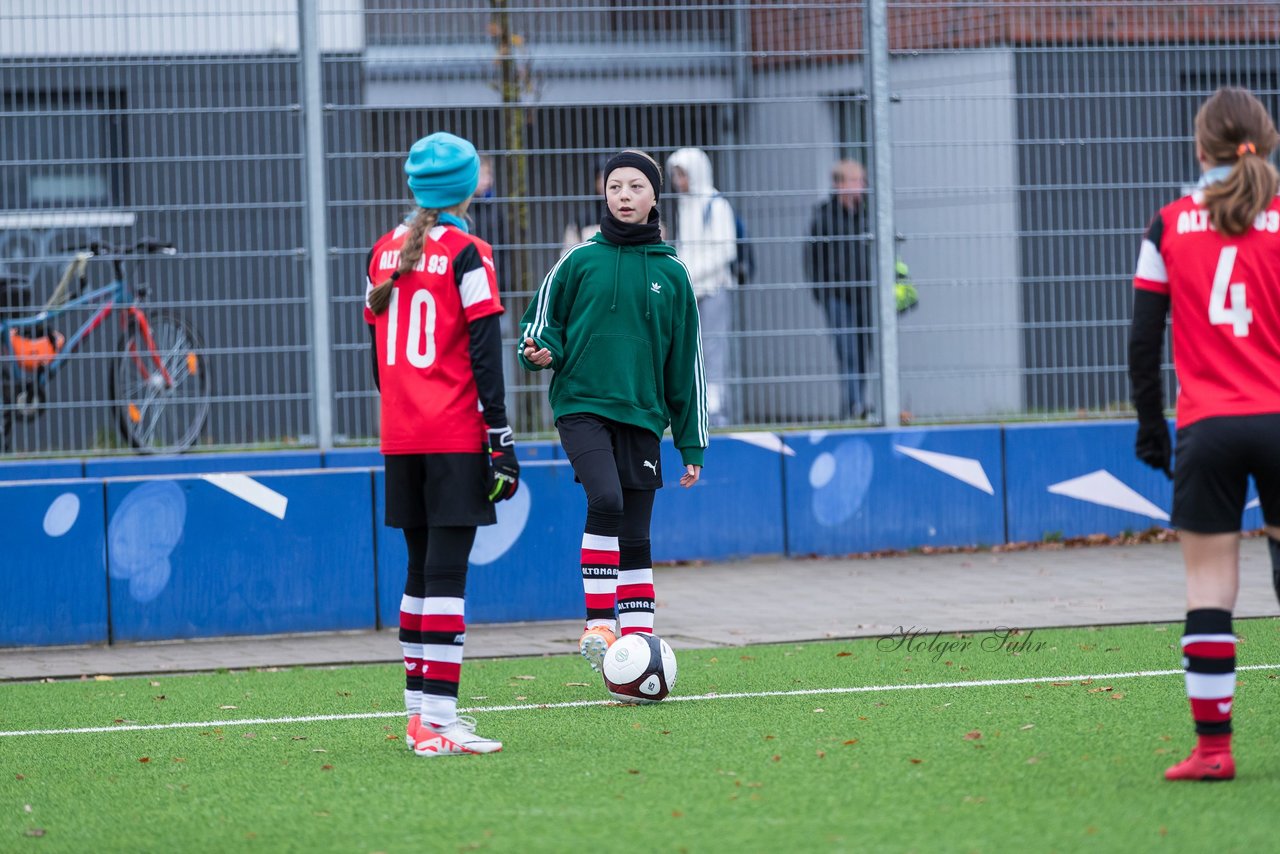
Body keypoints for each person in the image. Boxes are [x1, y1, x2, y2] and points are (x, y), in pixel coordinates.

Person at [1128, 86, 1280, 782]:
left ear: (1200, 148)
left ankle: (1214, 752)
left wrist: (1151, 426)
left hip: (1209, 427)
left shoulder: (1166, 225)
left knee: (1210, 587)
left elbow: (1142, 340)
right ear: (1266, 142)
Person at [518, 148, 707, 672]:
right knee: (605, 496)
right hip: (582, 405)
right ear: (604, 193)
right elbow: (541, 324)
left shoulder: (673, 274)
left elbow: (685, 363)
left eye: (636, 187)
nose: (624, 195)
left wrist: (691, 440)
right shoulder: (578, 260)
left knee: (638, 533)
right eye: (616, 186)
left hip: (643, 414)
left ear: (654, 197)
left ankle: (640, 641)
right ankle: (599, 622)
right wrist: (539, 351)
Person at [364, 132, 520, 757]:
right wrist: (501, 438)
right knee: (447, 577)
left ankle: (418, 715)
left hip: (401, 434)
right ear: (472, 183)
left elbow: (375, 359)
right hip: (454, 434)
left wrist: (405, 405)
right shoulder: (470, 253)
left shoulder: (382, 252)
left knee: (418, 570)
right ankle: (438, 721)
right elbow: (485, 355)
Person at [666, 147, 737, 427]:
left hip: (712, 289)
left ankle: (716, 412)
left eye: (682, 174)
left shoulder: (715, 204)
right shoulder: (686, 205)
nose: (678, 181)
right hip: (690, 292)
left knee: (713, 350)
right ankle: (692, 411)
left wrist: (689, 273)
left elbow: (725, 251)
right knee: (689, 352)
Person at [806, 158, 873, 420]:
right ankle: (855, 406)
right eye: (856, 181)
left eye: (862, 181)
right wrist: (822, 293)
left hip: (864, 294)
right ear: (840, 185)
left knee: (863, 351)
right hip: (837, 296)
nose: (861, 186)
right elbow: (812, 258)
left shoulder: (866, 215)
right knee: (847, 352)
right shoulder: (824, 216)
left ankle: (856, 407)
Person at [561, 157, 607, 255]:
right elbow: (567, 253)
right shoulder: (583, 218)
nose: (605, 184)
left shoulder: (629, 216)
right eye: (601, 178)